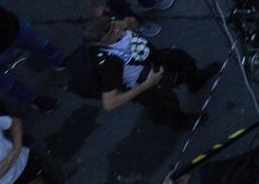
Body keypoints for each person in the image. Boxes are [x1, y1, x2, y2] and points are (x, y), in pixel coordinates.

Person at [75, 13, 217, 130]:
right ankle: (180, 122)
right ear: (98, 44)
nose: (116, 31)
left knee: (181, 60)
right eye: (110, 35)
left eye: (114, 26)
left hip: (152, 59)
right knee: (166, 104)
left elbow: (134, 25)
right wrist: (148, 84)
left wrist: (126, 23)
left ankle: (195, 81)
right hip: (143, 82)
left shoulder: (115, 24)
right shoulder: (108, 63)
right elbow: (110, 103)